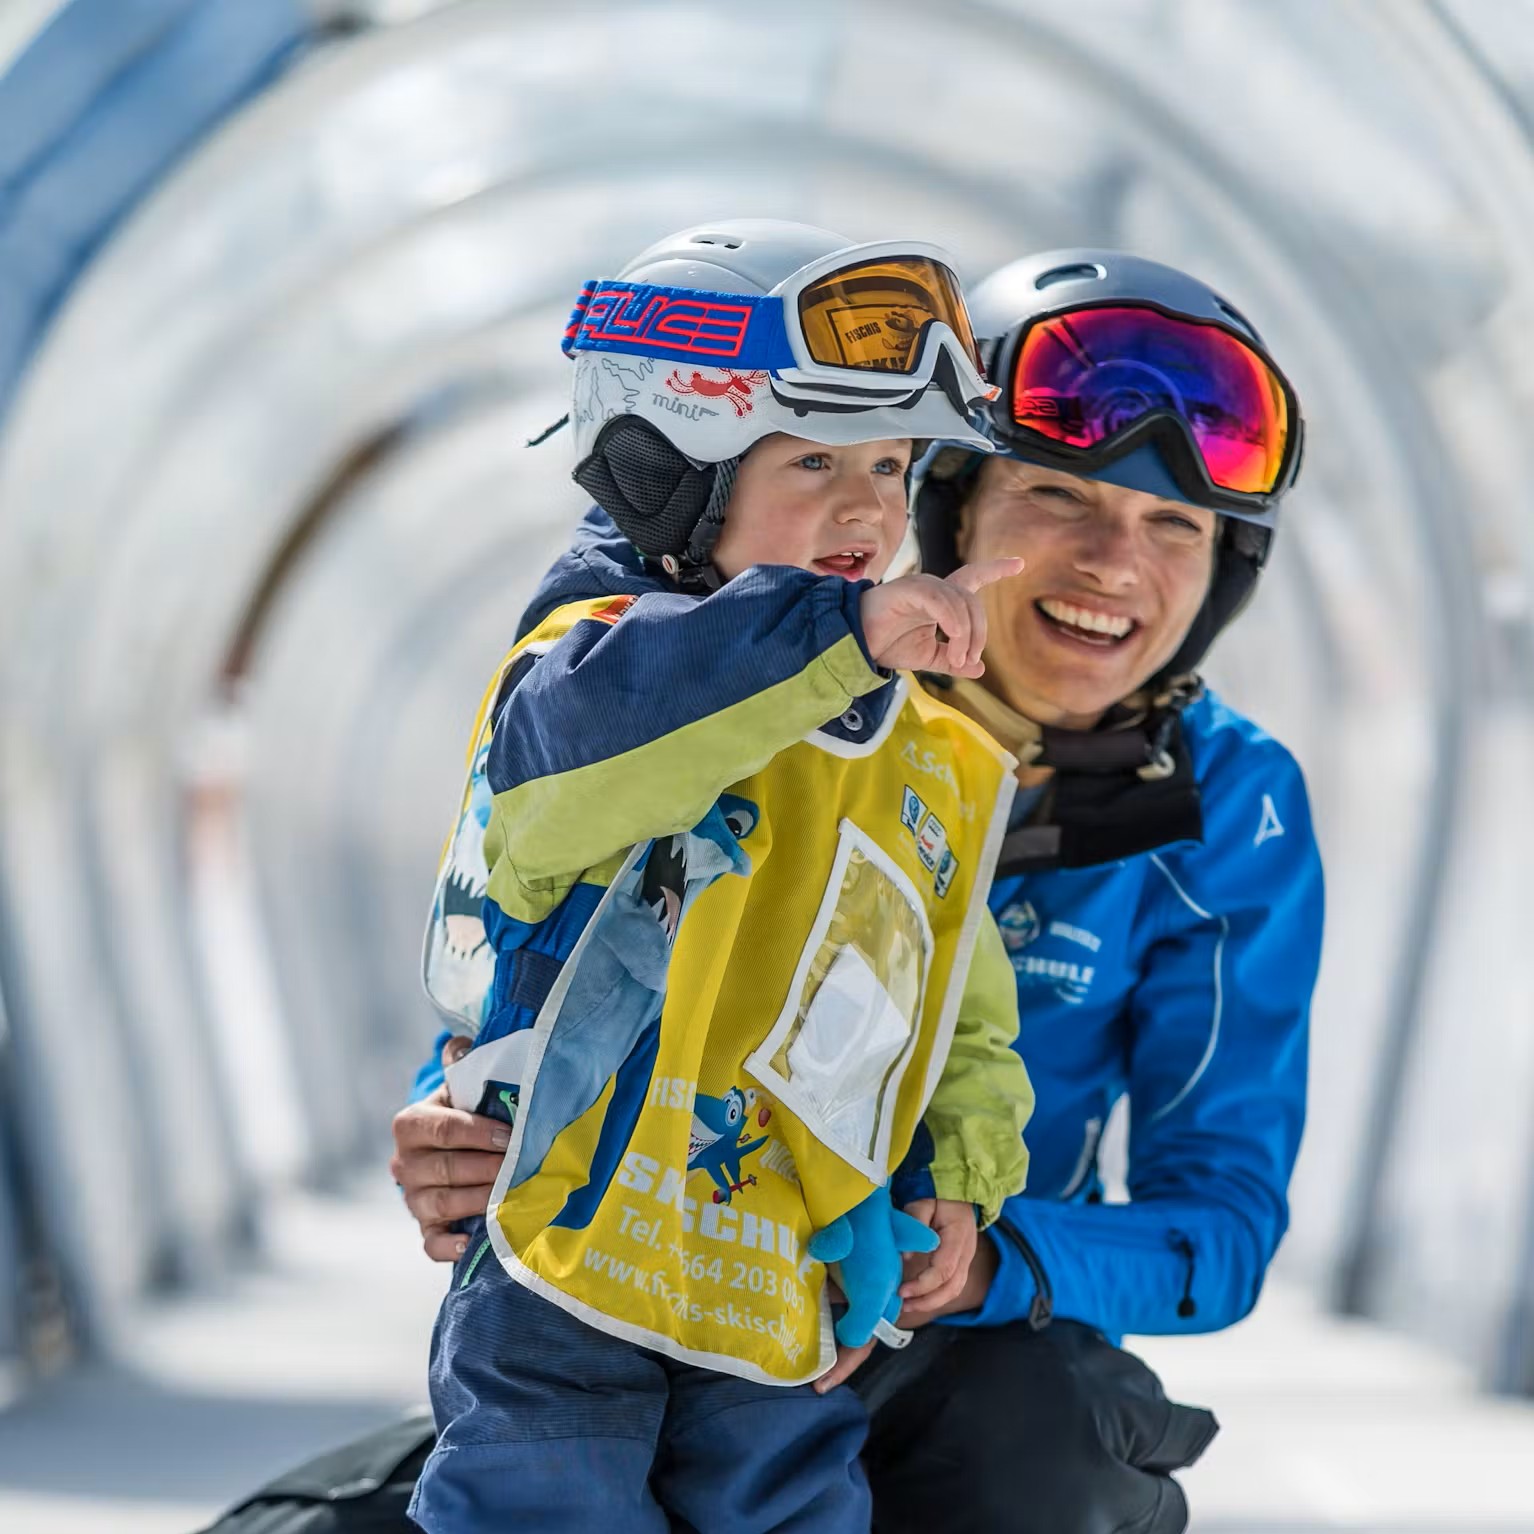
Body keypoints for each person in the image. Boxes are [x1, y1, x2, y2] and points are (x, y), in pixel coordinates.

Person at [393, 247, 1324, 1534]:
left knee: (1042, 1449)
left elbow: (1216, 1223)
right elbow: (556, 882)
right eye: (1061, 496)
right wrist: (451, 1116)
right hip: (634, 1270)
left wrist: (978, 1256)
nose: (1117, 563)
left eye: (1176, 526)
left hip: (935, 1340)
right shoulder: (749, 678)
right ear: (959, 510)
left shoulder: (1223, 802)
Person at [408, 219, 1035, 1534]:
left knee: (795, 1508)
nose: (868, 508)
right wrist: (839, 636)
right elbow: (592, 776)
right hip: (572, 1248)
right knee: (543, 1497)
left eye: (891, 462)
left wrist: (953, 1179)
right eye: (812, 460)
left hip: (778, 1268)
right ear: (659, 474)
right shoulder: (586, 683)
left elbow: (947, 995)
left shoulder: (921, 750)